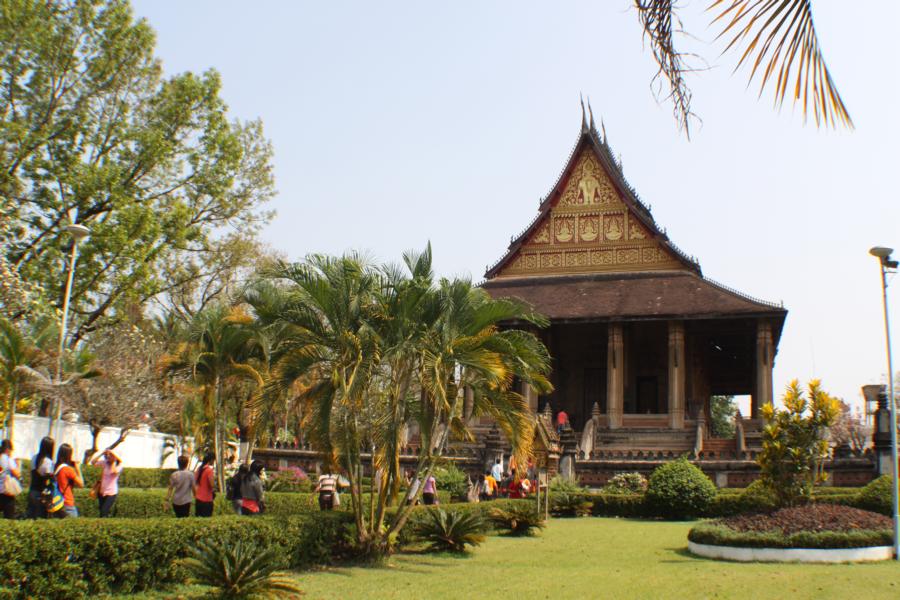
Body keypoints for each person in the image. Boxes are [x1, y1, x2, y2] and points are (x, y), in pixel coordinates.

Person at [26, 436, 55, 519]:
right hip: (42, 493)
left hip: (32, 490)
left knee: (31, 515)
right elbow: (48, 478)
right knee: (41, 516)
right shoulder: (48, 462)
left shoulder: (34, 458)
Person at [54, 443, 83, 518]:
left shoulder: (56, 467)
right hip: (67, 501)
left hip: (57, 501)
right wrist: (78, 469)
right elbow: (81, 484)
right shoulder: (68, 469)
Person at [91, 449, 122, 518]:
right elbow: (93, 462)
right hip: (102, 491)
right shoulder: (105, 463)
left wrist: (113, 461)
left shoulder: (119, 466)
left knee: (104, 511)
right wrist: (102, 453)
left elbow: (113, 471)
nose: (108, 456)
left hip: (111, 493)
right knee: (102, 511)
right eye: (108, 455)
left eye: (111, 455)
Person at [0, 439, 21, 519]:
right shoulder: (8, 460)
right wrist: (18, 465)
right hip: (6, 493)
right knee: (9, 518)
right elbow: (17, 474)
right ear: (8, 449)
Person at [194, 452, 216, 517]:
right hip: (207, 499)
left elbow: (195, 481)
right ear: (211, 460)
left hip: (198, 498)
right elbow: (212, 485)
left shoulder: (199, 469)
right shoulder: (209, 470)